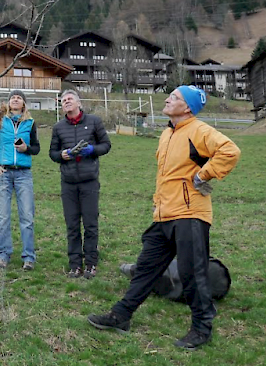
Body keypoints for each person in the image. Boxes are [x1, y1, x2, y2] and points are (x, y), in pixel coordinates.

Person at [87, 85, 241, 351]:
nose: (168, 99)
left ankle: (202, 328)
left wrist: (204, 174)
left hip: (191, 213)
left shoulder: (199, 130)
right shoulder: (167, 133)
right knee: (145, 268)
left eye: (175, 97)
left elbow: (230, 151)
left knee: (192, 274)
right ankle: (121, 316)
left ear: (188, 107)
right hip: (165, 214)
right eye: (170, 96)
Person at [49, 89, 111, 279]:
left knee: (91, 225)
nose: (66, 102)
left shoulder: (94, 122)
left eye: (69, 99)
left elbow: (106, 145)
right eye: (63, 100)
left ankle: (91, 263)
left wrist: (92, 150)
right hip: (68, 183)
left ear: (78, 103)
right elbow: (52, 153)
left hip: (89, 182)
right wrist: (61, 155)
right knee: (72, 225)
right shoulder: (58, 127)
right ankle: (75, 265)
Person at [0, 90, 40, 271]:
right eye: (13, 97)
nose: (15, 99)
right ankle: (3, 254)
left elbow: (36, 148)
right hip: (3, 173)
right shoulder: (0, 120)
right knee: (3, 217)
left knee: (27, 217)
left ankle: (28, 256)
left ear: (24, 104)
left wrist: (26, 148)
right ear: (8, 103)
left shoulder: (30, 123)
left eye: (19, 97)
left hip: (23, 174)